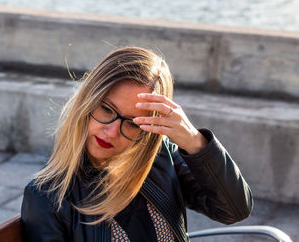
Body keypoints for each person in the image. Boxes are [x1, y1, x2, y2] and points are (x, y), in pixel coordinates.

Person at [21, 46, 252, 242]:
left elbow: (234, 209)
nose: (111, 132)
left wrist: (195, 142)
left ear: (148, 130)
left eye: (132, 123)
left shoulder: (162, 157)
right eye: (107, 109)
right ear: (88, 101)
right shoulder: (48, 196)